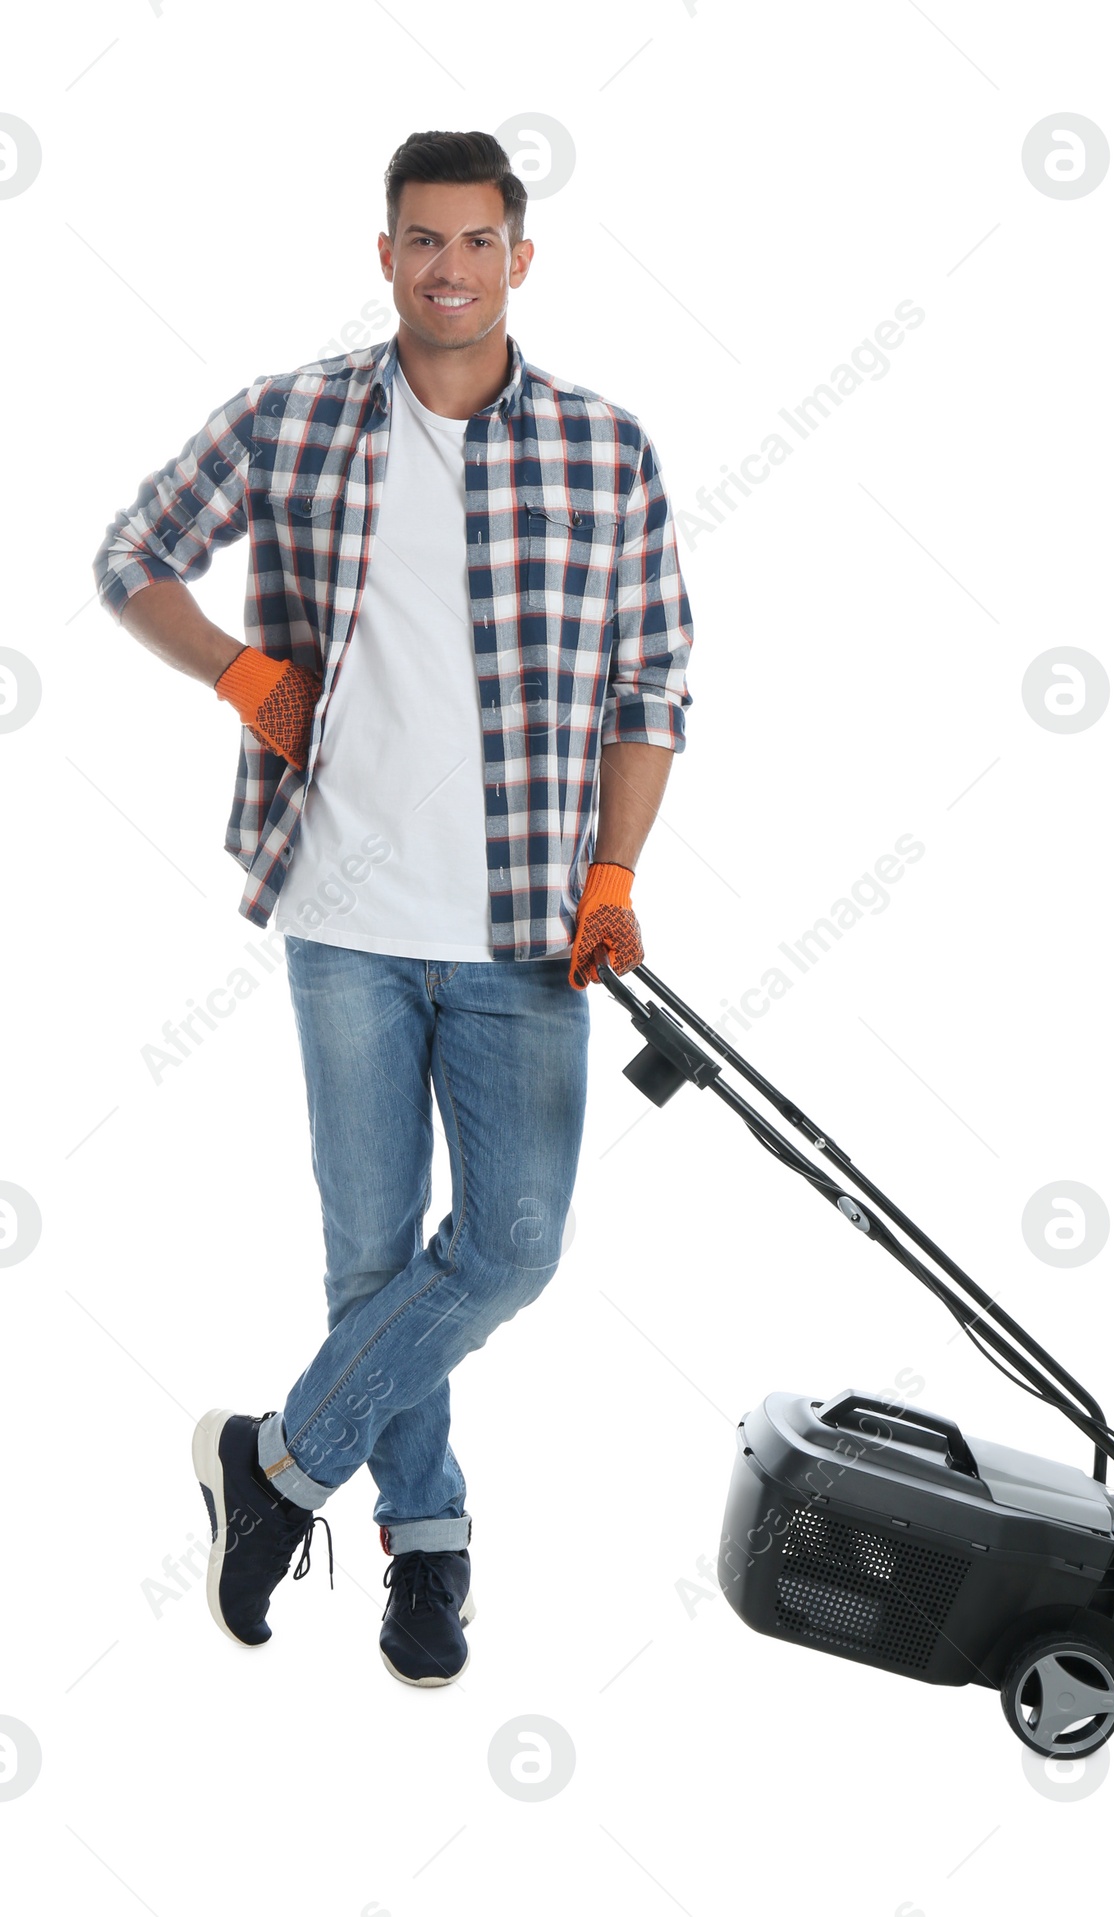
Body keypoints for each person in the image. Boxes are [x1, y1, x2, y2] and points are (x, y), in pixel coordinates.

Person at [90, 129, 694, 1686]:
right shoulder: (291, 420)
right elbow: (132, 554)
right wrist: (234, 667)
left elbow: (651, 689)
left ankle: (276, 1471)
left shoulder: (603, 449)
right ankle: (428, 1549)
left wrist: (616, 871)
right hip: (345, 917)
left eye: (476, 240)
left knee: (510, 1243)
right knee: (372, 1259)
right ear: (385, 256)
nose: (448, 266)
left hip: (523, 936)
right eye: (421, 239)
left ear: (519, 257)